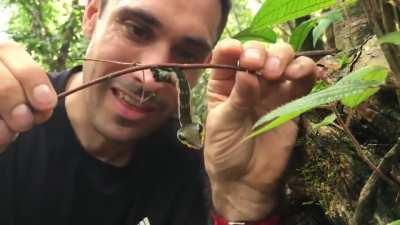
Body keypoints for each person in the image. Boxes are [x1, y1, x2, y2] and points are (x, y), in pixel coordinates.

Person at [0, 0, 321, 224]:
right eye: (137, 30)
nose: (147, 78)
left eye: (186, 53)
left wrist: (241, 202)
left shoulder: (199, 173)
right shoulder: (11, 123)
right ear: (92, 15)